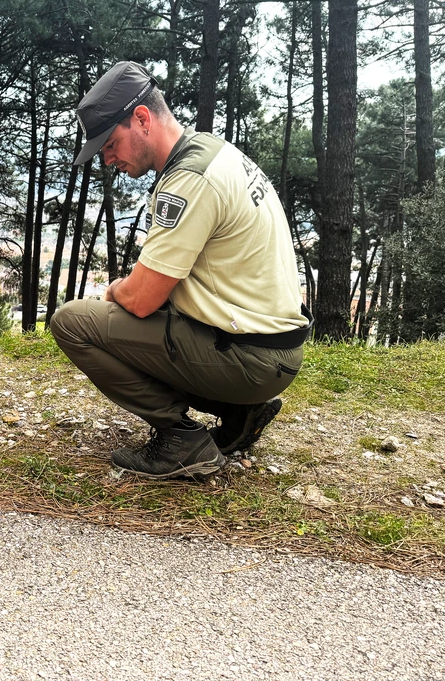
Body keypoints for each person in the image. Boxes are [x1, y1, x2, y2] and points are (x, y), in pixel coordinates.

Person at [49, 61, 310, 480]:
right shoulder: (212, 151)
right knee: (148, 321)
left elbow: (141, 299)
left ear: (142, 118)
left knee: (73, 323)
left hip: (251, 358)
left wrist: (114, 290)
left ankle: (181, 440)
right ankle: (238, 413)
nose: (108, 158)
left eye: (111, 144)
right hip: (271, 348)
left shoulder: (189, 179)